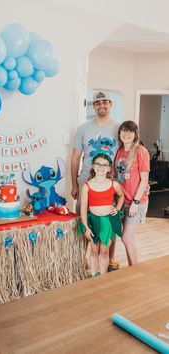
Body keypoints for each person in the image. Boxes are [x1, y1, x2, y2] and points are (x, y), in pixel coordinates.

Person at [71, 90, 120, 270]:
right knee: (83, 221)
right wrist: (75, 183)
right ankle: (80, 258)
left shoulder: (119, 128)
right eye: (98, 103)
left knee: (110, 222)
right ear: (94, 106)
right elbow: (76, 157)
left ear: (110, 104)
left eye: (105, 102)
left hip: (109, 185)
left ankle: (110, 257)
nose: (101, 105)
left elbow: (125, 155)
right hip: (86, 182)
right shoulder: (83, 128)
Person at [80, 153, 124, 276]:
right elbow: (83, 208)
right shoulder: (87, 186)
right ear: (93, 167)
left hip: (107, 222)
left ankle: (103, 277)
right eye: (98, 164)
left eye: (105, 165)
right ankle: (94, 275)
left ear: (109, 168)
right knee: (94, 250)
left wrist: (118, 208)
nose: (101, 167)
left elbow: (121, 196)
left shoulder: (113, 184)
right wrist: (86, 227)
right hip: (93, 221)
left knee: (104, 251)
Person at [115, 121, 150, 266]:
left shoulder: (141, 151)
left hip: (136, 202)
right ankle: (132, 268)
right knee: (126, 238)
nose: (126, 134)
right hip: (122, 201)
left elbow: (144, 180)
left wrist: (135, 202)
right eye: (123, 131)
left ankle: (135, 270)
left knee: (127, 238)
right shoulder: (120, 151)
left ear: (135, 134)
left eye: (130, 131)